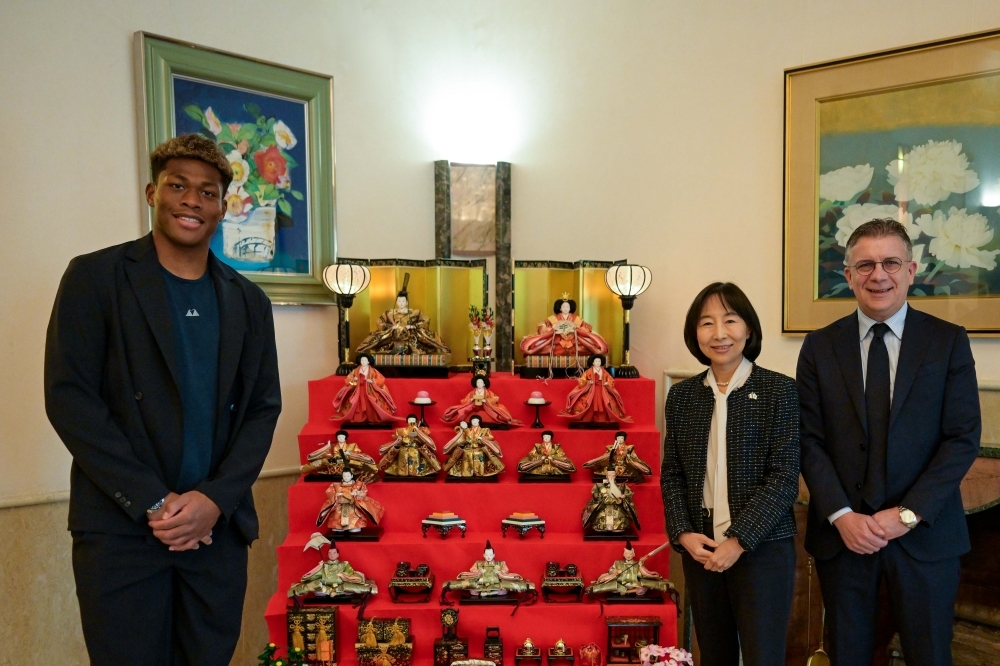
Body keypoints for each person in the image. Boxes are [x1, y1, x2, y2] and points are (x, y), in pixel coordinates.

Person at [44, 134, 282, 666]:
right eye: (178, 186)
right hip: (122, 532)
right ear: (153, 192)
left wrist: (214, 500)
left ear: (224, 206)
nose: (191, 201)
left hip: (214, 535)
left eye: (207, 192)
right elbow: (70, 400)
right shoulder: (95, 278)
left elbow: (263, 409)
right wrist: (155, 501)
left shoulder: (249, 302)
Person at [797, 218, 981, 666]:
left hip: (926, 538)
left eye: (891, 263)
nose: (878, 275)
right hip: (845, 540)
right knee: (847, 655)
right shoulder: (819, 347)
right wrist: (841, 515)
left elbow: (962, 438)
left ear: (911, 270)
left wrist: (908, 514)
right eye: (865, 265)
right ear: (848, 276)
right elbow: (806, 440)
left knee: (930, 655)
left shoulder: (948, 342)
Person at [661, 282, 799, 666]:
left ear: (748, 329)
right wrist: (683, 533)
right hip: (701, 550)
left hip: (762, 551)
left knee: (763, 657)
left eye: (730, 320)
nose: (719, 333)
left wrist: (738, 542)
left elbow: (784, 477)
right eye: (707, 323)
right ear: (695, 334)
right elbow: (672, 473)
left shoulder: (779, 391)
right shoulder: (683, 396)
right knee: (714, 655)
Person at [559, 354, 634, 424]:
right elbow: (581, 380)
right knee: (590, 404)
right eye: (596, 361)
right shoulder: (588, 371)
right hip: (592, 390)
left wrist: (607, 383)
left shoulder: (604, 371)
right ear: (593, 362)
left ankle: (602, 420)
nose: (598, 362)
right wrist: (588, 382)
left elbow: (611, 380)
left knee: (604, 403)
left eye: (599, 361)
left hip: (602, 390)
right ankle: (587, 420)